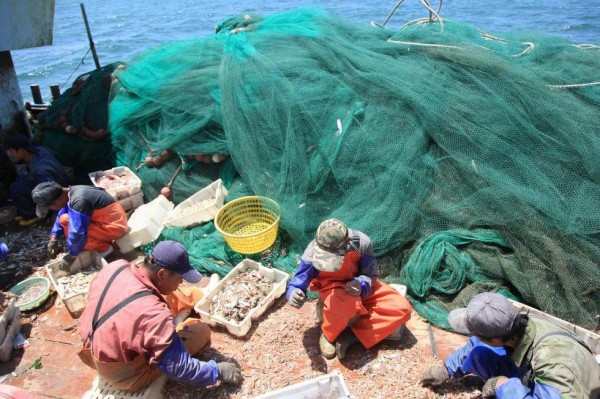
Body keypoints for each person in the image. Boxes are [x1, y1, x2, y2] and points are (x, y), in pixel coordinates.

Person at [78, 240, 242, 391]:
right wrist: (217, 371)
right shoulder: (154, 315)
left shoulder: (117, 266)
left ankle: (193, 298)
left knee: (170, 294)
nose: (181, 283)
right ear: (162, 274)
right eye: (179, 279)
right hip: (122, 373)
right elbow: (179, 367)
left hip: (91, 342)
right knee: (199, 333)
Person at [420, 292, 600, 399]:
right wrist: (447, 369)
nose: (476, 337)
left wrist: (503, 385)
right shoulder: (518, 323)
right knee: (479, 354)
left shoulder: (552, 361)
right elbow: (478, 342)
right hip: (549, 380)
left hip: (570, 392)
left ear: (496, 339)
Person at [286, 218, 412, 359]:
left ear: (346, 243)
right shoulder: (311, 252)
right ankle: (329, 334)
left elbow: (370, 274)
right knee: (347, 303)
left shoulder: (361, 243)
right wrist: (293, 293)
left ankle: (352, 336)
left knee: (402, 309)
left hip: (358, 284)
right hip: (331, 286)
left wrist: (362, 283)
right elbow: (298, 281)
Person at [31, 181, 128, 269]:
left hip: (115, 226)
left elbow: (77, 233)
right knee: (64, 219)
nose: (51, 209)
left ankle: (104, 249)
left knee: (72, 232)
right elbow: (62, 212)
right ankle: (98, 242)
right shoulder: (69, 192)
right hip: (103, 221)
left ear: (57, 201)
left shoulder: (79, 201)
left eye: (50, 207)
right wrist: (54, 237)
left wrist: (72, 256)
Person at [5, 134, 69, 226]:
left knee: (15, 188)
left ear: (21, 150)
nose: (10, 155)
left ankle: (34, 214)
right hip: (55, 179)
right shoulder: (39, 151)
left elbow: (52, 192)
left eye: (11, 151)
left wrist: (50, 212)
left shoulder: (41, 170)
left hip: (57, 186)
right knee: (20, 179)